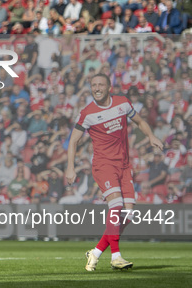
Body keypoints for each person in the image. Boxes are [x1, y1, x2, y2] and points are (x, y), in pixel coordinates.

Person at [66, 73, 163, 272]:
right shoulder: (87, 113)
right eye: (94, 85)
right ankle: (116, 257)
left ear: (109, 87)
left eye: (101, 84)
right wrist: (70, 167)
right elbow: (73, 141)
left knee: (128, 215)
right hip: (104, 165)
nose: (97, 88)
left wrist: (151, 136)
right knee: (116, 205)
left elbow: (141, 122)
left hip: (124, 166)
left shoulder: (122, 103)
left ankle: (96, 252)